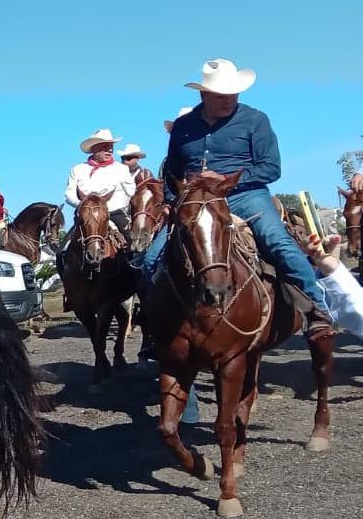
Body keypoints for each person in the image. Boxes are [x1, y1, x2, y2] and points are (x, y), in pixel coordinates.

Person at [140, 58, 332, 335]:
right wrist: (171, 202)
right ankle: (158, 326)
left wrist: (227, 180)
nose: (228, 100)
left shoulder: (255, 120)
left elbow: (271, 167)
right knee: (151, 260)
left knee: (278, 243)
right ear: (204, 94)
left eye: (233, 94)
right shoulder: (183, 127)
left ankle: (317, 309)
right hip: (194, 201)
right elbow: (172, 168)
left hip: (245, 195)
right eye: (221, 96)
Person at [64, 128, 136, 239]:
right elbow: (69, 194)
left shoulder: (121, 169)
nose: (110, 150)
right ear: (94, 149)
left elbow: (131, 192)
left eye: (111, 146)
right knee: (64, 248)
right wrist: (83, 205)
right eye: (105, 147)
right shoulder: (78, 169)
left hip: (113, 214)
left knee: (129, 242)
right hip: (85, 215)